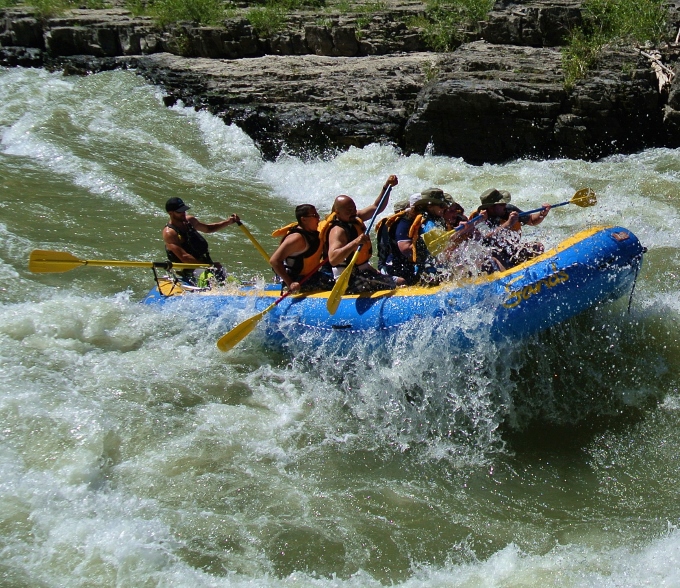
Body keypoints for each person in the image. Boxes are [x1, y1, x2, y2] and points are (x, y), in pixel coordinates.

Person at [325, 175, 406, 294]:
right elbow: (333, 259)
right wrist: (356, 242)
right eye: (348, 210)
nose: (353, 212)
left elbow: (376, 207)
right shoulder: (337, 231)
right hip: (348, 279)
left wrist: (386, 187)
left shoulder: (354, 218)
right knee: (399, 283)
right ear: (337, 212)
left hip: (364, 272)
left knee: (401, 281)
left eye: (353, 208)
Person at [162, 196, 240, 284]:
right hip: (189, 269)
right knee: (211, 279)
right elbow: (184, 257)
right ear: (170, 213)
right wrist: (209, 267)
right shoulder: (169, 233)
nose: (183, 213)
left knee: (229, 280)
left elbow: (208, 228)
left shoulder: (190, 221)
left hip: (205, 264)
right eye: (179, 211)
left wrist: (228, 222)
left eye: (184, 210)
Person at [471, 188, 551, 271]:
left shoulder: (509, 210)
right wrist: (508, 224)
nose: (505, 206)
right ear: (491, 207)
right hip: (492, 253)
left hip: (509, 248)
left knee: (537, 247)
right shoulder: (478, 218)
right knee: (494, 262)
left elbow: (531, 220)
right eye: (501, 204)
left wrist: (543, 213)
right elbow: (486, 236)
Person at [269, 204, 334, 293]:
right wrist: (290, 283)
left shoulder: (312, 232)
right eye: (314, 215)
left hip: (310, 275)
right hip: (297, 280)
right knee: (332, 283)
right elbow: (274, 261)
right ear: (303, 219)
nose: (318, 218)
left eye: (317, 214)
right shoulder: (296, 238)